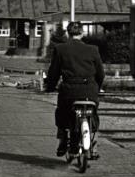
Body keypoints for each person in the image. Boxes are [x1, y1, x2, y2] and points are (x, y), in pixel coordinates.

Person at [44, 21, 105, 157]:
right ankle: (93, 140)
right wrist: (97, 88)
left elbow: (54, 72)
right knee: (93, 114)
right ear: (82, 33)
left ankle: (63, 139)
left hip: (69, 91)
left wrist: (50, 87)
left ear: (67, 33)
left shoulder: (60, 49)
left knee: (62, 113)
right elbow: (100, 73)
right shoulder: (93, 49)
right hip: (90, 91)